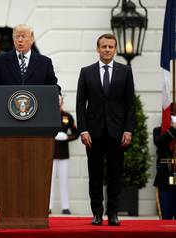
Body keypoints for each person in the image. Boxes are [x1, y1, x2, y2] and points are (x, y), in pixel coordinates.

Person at [76, 33, 135, 226]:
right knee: (95, 175)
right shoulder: (86, 72)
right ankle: (97, 214)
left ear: (115, 49)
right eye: (104, 46)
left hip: (117, 133)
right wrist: (83, 130)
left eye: (110, 47)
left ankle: (113, 213)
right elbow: (80, 104)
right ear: (98, 49)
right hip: (93, 133)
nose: (107, 50)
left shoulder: (125, 71)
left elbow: (129, 104)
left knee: (115, 175)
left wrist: (128, 130)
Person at [0, 24, 58, 106]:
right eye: (17, 36)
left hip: (37, 111)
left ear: (32, 39)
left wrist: (58, 95)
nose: (20, 40)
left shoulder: (45, 62)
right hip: (8, 110)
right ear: (13, 39)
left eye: (23, 36)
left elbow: (52, 85)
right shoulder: (1, 61)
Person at [49, 96, 79, 215]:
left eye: (59, 102)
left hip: (63, 154)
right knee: (49, 182)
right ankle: (48, 206)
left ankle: (65, 206)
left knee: (63, 181)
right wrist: (52, 137)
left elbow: (76, 133)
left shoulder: (67, 116)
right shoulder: (48, 116)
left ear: (62, 103)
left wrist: (67, 137)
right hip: (50, 154)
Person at [153, 106, 176, 220]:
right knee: (165, 215)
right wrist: (172, 130)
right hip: (165, 176)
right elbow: (159, 143)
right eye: (171, 115)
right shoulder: (158, 130)